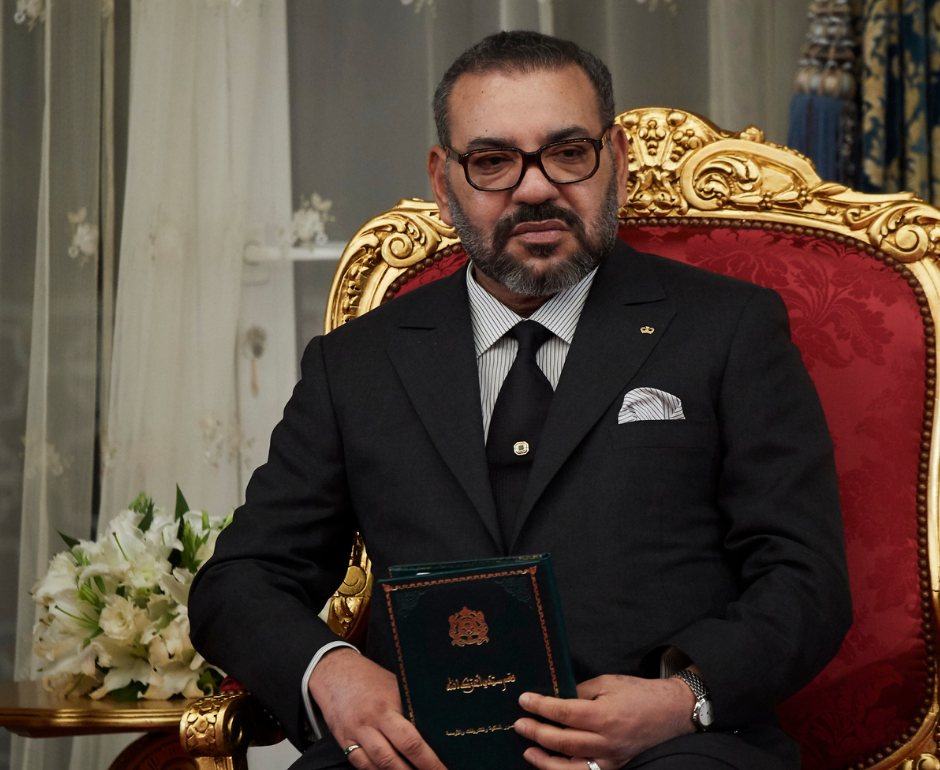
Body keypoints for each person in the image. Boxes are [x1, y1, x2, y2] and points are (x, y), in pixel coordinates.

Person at [189, 31, 851, 770]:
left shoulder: (728, 330)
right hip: (424, 753)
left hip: (667, 751)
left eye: (568, 152)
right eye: (493, 161)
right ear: (444, 182)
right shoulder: (358, 363)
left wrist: (683, 697)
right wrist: (334, 675)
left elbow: (805, 577)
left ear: (617, 161)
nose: (535, 187)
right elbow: (238, 583)